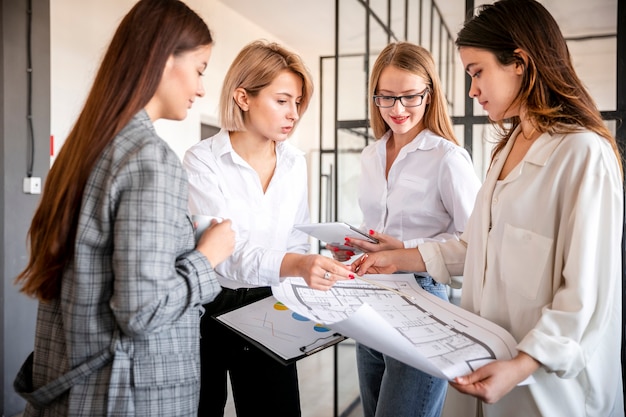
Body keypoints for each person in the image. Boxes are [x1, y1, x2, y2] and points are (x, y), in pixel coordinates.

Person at [352, 1, 624, 416]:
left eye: (478, 73)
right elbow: (475, 246)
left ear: (519, 62)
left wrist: (523, 363)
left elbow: (587, 294)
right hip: (487, 359)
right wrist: (396, 258)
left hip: (548, 387)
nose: (472, 90)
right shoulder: (506, 151)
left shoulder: (583, 153)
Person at [12, 1, 235, 415]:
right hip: (129, 394)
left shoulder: (86, 147)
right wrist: (208, 256)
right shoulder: (151, 157)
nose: (202, 88)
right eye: (200, 69)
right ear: (165, 58)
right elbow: (142, 311)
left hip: (77, 387)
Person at [183, 40, 355, 417]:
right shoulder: (202, 160)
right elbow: (221, 253)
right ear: (243, 97)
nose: (293, 113)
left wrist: (308, 275)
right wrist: (295, 264)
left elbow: (295, 237)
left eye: (297, 102)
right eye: (282, 100)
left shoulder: (294, 163)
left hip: (269, 303)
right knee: (201, 409)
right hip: (207, 309)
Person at [327, 42, 481, 417]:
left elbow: (477, 244)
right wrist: (354, 243)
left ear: (429, 95)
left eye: (410, 97)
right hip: (372, 299)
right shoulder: (370, 154)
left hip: (422, 298)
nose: (398, 109)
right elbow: (377, 223)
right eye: (386, 97)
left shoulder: (448, 158)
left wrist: (404, 250)